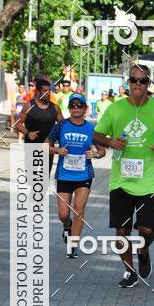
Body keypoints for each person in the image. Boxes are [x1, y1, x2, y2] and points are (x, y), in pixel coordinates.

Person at [93, 64, 154, 288]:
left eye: (142, 81)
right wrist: (110, 141)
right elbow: (97, 133)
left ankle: (144, 249)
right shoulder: (115, 109)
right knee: (122, 230)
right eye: (134, 80)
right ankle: (129, 271)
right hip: (121, 180)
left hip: (149, 179)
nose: (137, 84)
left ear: (149, 84)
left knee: (147, 230)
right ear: (128, 83)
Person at [47, 93, 105, 258]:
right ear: (69, 107)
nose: (76, 108)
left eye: (80, 105)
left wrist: (95, 154)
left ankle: (72, 246)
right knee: (63, 214)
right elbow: (45, 146)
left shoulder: (92, 129)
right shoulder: (61, 126)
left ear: (85, 108)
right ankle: (67, 226)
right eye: (73, 105)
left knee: (79, 210)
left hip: (84, 175)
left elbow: (102, 150)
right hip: (64, 175)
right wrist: (58, 150)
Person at [15, 76, 63, 175]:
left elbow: (63, 126)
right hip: (32, 146)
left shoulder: (55, 108)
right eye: (45, 91)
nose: (48, 93)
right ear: (38, 92)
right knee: (32, 177)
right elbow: (17, 124)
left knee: (44, 178)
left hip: (48, 147)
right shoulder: (29, 106)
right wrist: (28, 133)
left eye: (49, 91)